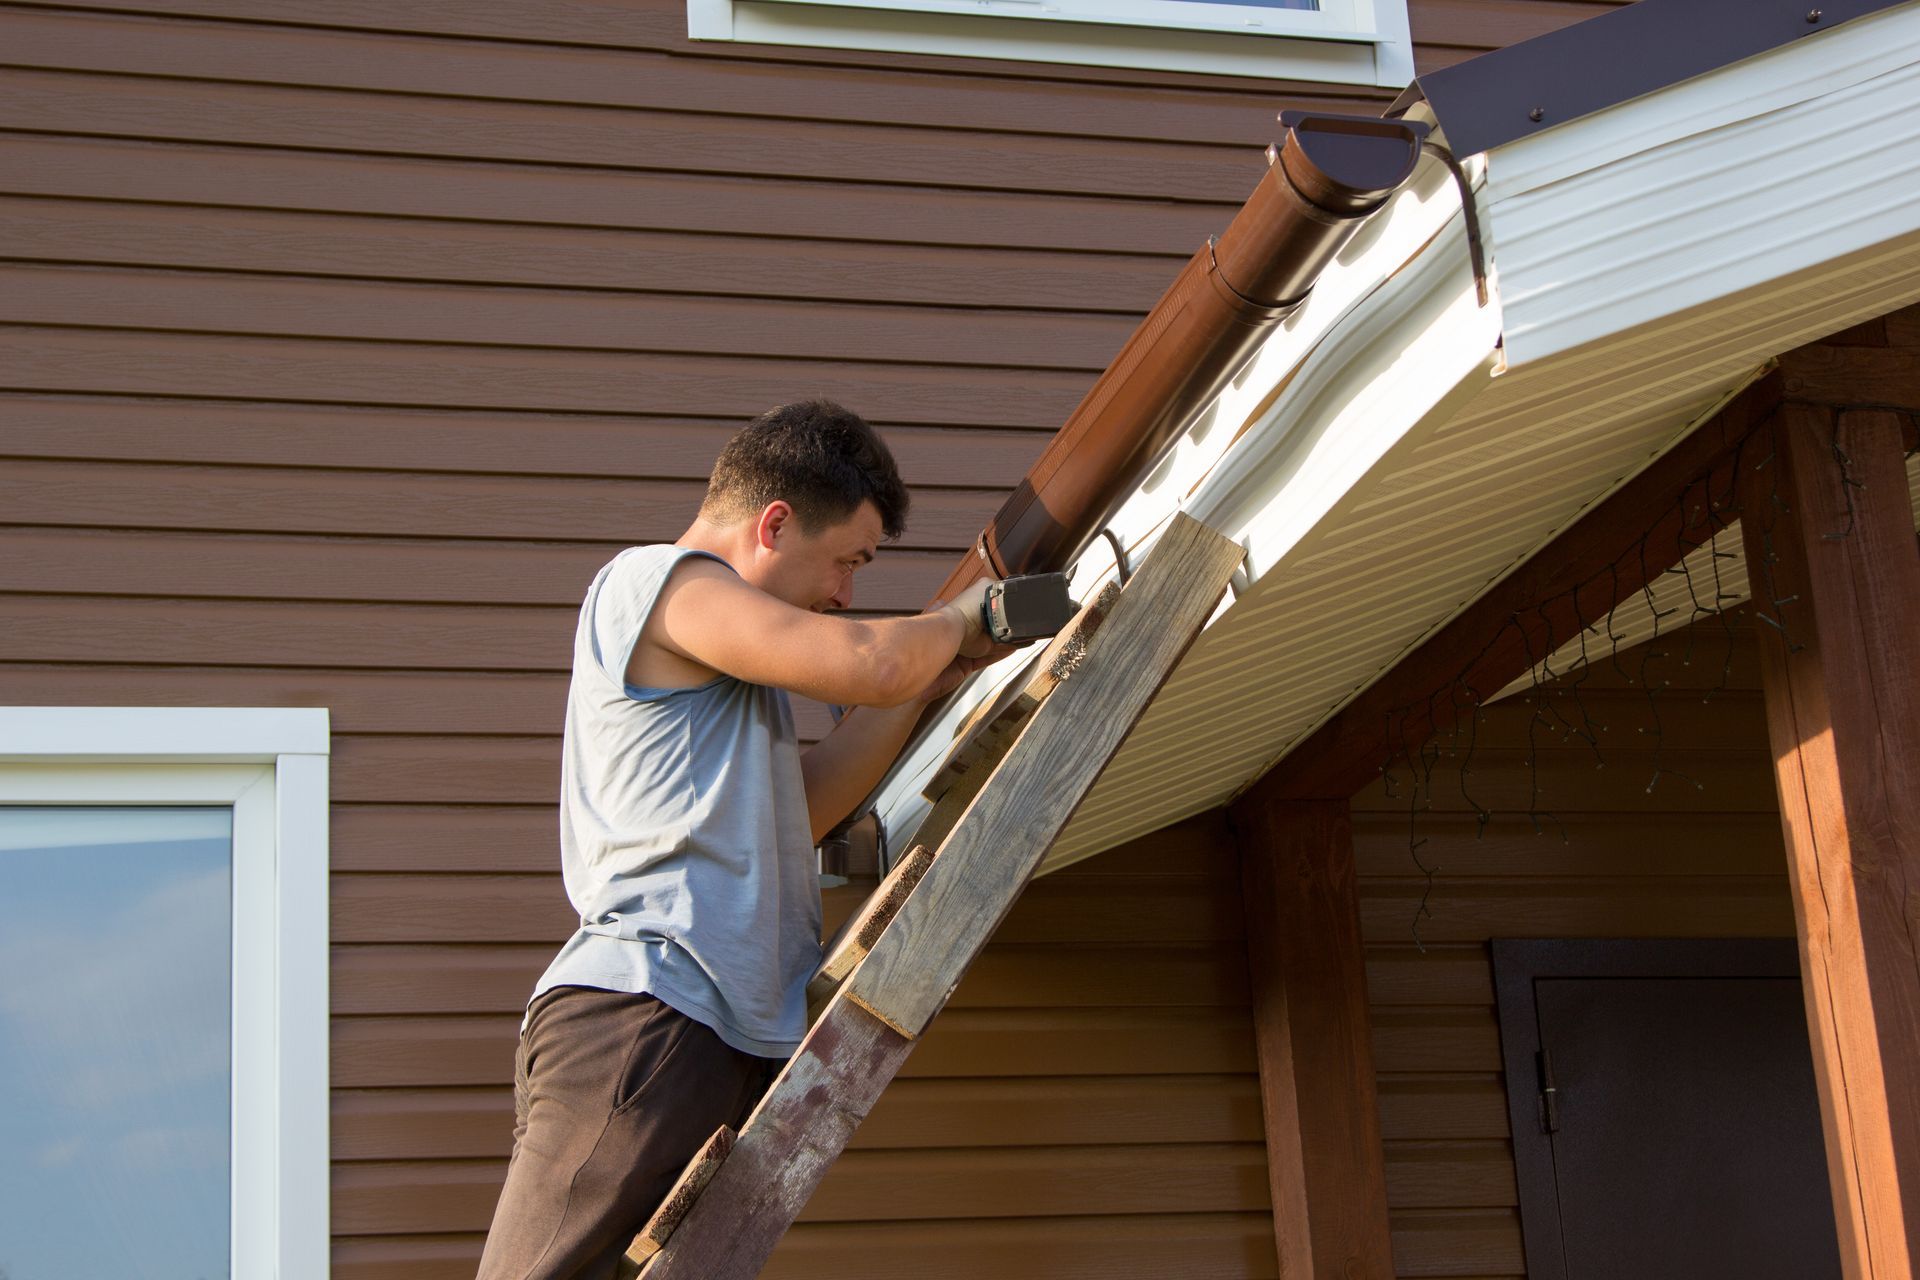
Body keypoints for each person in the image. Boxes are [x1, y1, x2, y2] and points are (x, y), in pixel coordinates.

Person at [474, 400, 1004, 1280]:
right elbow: (868, 660)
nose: (844, 595)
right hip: (646, 1016)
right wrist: (959, 619)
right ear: (774, 523)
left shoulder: (728, 675)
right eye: (848, 563)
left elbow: (804, 805)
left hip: (710, 1031)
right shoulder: (661, 584)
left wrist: (923, 682)